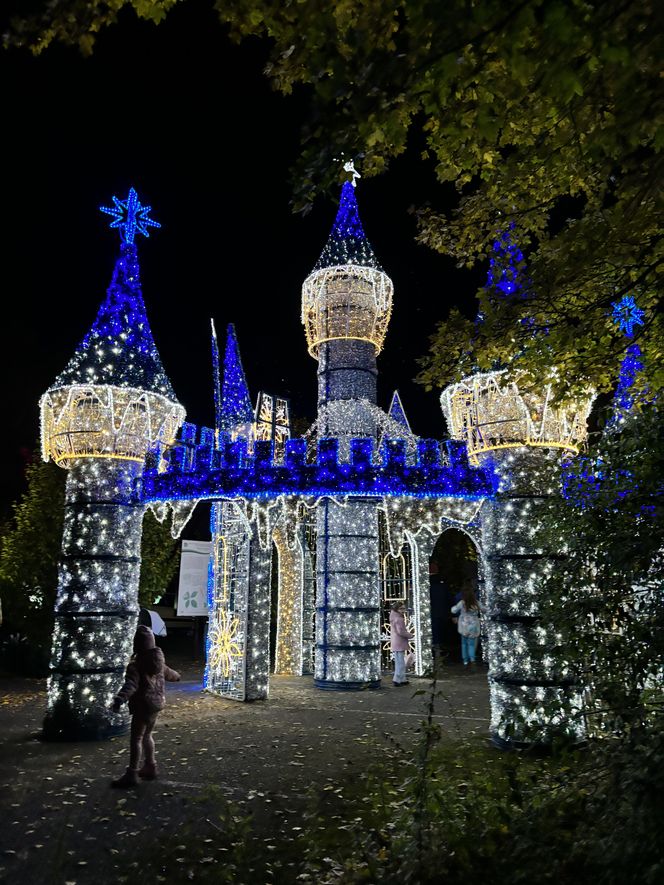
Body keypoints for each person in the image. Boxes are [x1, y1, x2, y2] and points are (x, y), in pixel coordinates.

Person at [110, 625, 181, 787]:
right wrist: (177, 676)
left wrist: (119, 700)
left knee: (136, 738)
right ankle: (150, 766)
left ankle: (132, 774)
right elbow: (172, 674)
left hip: (143, 706)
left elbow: (131, 686)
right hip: (156, 705)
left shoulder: (136, 666)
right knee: (148, 736)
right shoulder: (159, 663)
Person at [451, 586, 482, 668]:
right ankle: (472, 660)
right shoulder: (476, 603)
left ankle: (465, 661)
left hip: (463, 627)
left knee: (464, 644)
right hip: (473, 626)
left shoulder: (462, 603)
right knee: (471, 644)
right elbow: (484, 609)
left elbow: (454, 610)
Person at [389, 601, 413, 686]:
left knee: (400, 661)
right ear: (397, 609)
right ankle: (398, 679)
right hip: (399, 641)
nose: (403, 610)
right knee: (400, 662)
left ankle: (402, 679)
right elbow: (401, 631)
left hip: (396, 641)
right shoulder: (399, 619)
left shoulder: (394, 617)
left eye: (404, 608)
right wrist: (410, 635)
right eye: (401, 608)